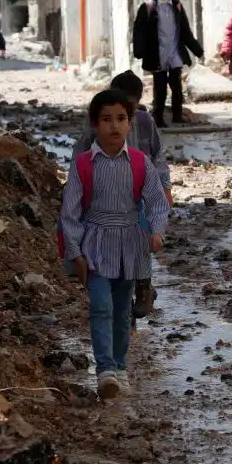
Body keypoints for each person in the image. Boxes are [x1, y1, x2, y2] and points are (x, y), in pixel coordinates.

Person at [60, 89, 170, 399]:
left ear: (130, 123)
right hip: (94, 242)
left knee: (123, 311)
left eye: (121, 119)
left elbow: (158, 202)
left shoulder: (140, 163)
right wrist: (75, 252)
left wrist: (157, 232)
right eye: (106, 120)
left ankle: (120, 367)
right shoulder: (83, 165)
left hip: (131, 245)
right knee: (101, 306)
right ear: (94, 125)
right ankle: (105, 369)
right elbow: (69, 212)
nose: (114, 126)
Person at [71, 70, 171, 331]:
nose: (117, 122)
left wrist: (165, 187)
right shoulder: (97, 125)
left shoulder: (145, 122)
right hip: (108, 198)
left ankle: (144, 287)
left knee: (140, 245)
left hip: (140, 195)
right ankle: (124, 313)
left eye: (127, 109)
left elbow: (158, 157)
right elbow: (79, 157)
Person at [132, 0, 204, 128]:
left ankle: (177, 116)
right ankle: (158, 118)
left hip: (174, 51)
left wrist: (197, 49)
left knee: (176, 86)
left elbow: (185, 29)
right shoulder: (148, 6)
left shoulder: (176, 5)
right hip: (157, 54)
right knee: (160, 88)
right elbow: (139, 30)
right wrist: (139, 50)